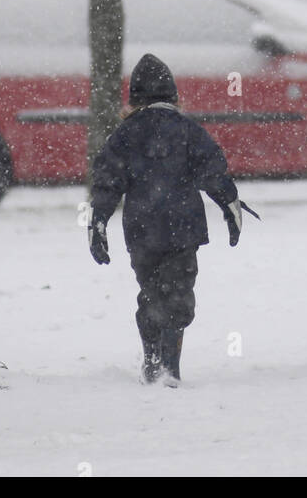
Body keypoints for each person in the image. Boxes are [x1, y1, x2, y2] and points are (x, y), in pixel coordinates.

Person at [88, 53, 244, 386]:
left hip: (142, 232)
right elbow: (212, 170)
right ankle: (168, 366)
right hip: (182, 230)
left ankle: (152, 359)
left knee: (152, 291)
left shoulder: (125, 135)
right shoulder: (188, 131)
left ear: (133, 100)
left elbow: (107, 180)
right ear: (174, 96)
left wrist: (98, 221)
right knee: (177, 295)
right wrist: (229, 203)